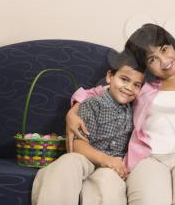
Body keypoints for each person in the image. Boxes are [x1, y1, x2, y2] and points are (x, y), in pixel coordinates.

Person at [66, 23, 175, 204]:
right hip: (147, 158)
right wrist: (72, 113)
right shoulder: (141, 85)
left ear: (173, 46)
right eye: (152, 59)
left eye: (164, 49)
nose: (163, 60)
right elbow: (97, 92)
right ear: (145, 65)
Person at [31, 52, 144, 205]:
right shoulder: (92, 104)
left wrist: (112, 163)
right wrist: (105, 159)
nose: (129, 88)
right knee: (68, 162)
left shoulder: (137, 109)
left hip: (115, 165)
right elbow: (77, 143)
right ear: (110, 77)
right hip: (86, 156)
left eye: (137, 85)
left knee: (108, 182)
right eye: (124, 79)